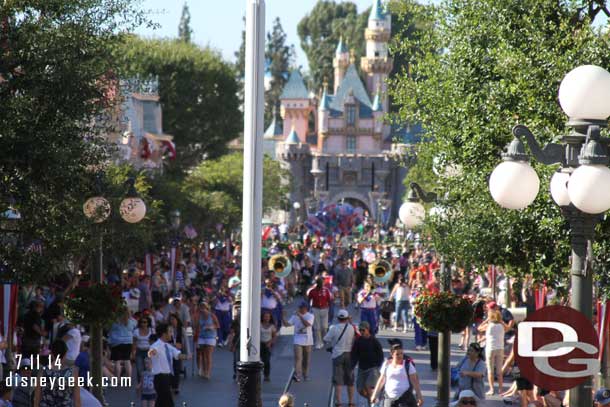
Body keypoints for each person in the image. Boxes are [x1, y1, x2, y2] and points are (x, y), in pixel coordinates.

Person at [370, 340, 424, 407]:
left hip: (404, 398)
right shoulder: (386, 364)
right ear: (392, 354)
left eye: (401, 353)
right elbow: (381, 380)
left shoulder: (408, 364)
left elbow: (415, 381)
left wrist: (419, 396)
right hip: (389, 398)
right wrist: (374, 395)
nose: (400, 356)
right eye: (397, 354)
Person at [147, 323, 189, 407]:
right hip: (160, 377)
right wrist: (152, 353)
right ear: (164, 334)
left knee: (161, 401)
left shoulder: (168, 346)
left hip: (168, 377)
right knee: (167, 401)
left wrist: (187, 356)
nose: (172, 334)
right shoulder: (156, 345)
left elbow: (177, 354)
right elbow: (150, 353)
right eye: (170, 332)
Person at [324, 309, 357, 407]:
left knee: (338, 380)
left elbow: (326, 339)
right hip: (349, 354)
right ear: (347, 318)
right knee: (350, 380)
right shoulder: (351, 328)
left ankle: (339, 402)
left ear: (338, 318)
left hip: (337, 354)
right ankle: (351, 402)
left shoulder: (333, 328)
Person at [33, 340, 81, 407]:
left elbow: (37, 398)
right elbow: (77, 401)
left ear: (51, 353)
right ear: (65, 353)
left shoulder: (43, 371)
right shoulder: (72, 373)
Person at [351, 321, 384, 405]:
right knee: (360, 389)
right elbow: (354, 355)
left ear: (368, 329)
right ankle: (373, 398)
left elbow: (380, 354)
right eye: (360, 330)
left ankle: (371, 403)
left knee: (368, 386)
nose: (361, 332)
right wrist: (351, 367)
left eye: (363, 330)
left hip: (372, 368)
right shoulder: (358, 341)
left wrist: (378, 365)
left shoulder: (374, 341)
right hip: (362, 368)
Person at [282, 301, 314, 382]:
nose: (299, 309)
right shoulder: (294, 316)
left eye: (301, 307)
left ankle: (305, 374)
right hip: (297, 340)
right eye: (299, 307)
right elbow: (287, 326)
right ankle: (297, 375)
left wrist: (300, 316)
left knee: (306, 359)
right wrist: (283, 317)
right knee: (298, 358)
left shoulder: (310, 316)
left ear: (305, 308)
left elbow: (307, 324)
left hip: (308, 340)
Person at [478, 309, 507, 395]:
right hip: (500, 348)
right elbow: (508, 328)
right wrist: (501, 321)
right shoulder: (502, 326)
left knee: (490, 370)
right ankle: (501, 389)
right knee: (499, 371)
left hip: (490, 348)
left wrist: (486, 320)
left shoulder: (488, 325)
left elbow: (479, 328)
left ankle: (491, 389)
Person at [107, 312, 136, 381]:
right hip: (128, 342)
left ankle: (118, 378)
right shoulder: (130, 321)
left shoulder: (115, 321)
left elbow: (109, 328)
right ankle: (128, 378)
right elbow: (134, 325)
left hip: (117, 342)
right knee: (127, 360)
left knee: (117, 361)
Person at [307, 277, 332, 349]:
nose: (321, 285)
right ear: (317, 284)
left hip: (325, 309)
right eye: (320, 283)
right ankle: (318, 342)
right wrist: (308, 310)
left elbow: (329, 300)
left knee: (324, 327)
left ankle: (324, 338)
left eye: (322, 283)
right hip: (315, 309)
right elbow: (309, 300)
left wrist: (330, 310)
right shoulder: (312, 291)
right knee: (316, 327)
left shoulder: (326, 290)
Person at [196, 302, 219, 379]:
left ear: (207, 308)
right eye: (201, 309)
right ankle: (203, 370)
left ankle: (208, 372)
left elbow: (218, 325)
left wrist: (211, 327)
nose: (202, 310)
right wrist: (196, 336)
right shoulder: (200, 316)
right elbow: (198, 327)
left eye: (203, 308)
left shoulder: (212, 316)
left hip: (211, 337)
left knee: (208, 355)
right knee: (202, 354)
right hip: (201, 336)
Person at [132, 316, 153, 382]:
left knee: (148, 369)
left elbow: (154, 342)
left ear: (148, 323)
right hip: (139, 351)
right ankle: (140, 384)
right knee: (139, 369)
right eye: (141, 322)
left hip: (149, 351)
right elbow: (134, 343)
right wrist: (133, 352)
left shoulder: (152, 331)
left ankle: (148, 383)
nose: (143, 324)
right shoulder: (136, 331)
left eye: (145, 322)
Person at [260, 311, 277, 382]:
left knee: (266, 360)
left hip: (268, 344)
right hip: (260, 344)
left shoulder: (272, 326)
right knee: (260, 360)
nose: (266, 318)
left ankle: (266, 375)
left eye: (268, 317)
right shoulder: (259, 325)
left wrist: (270, 343)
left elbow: (274, 336)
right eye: (265, 316)